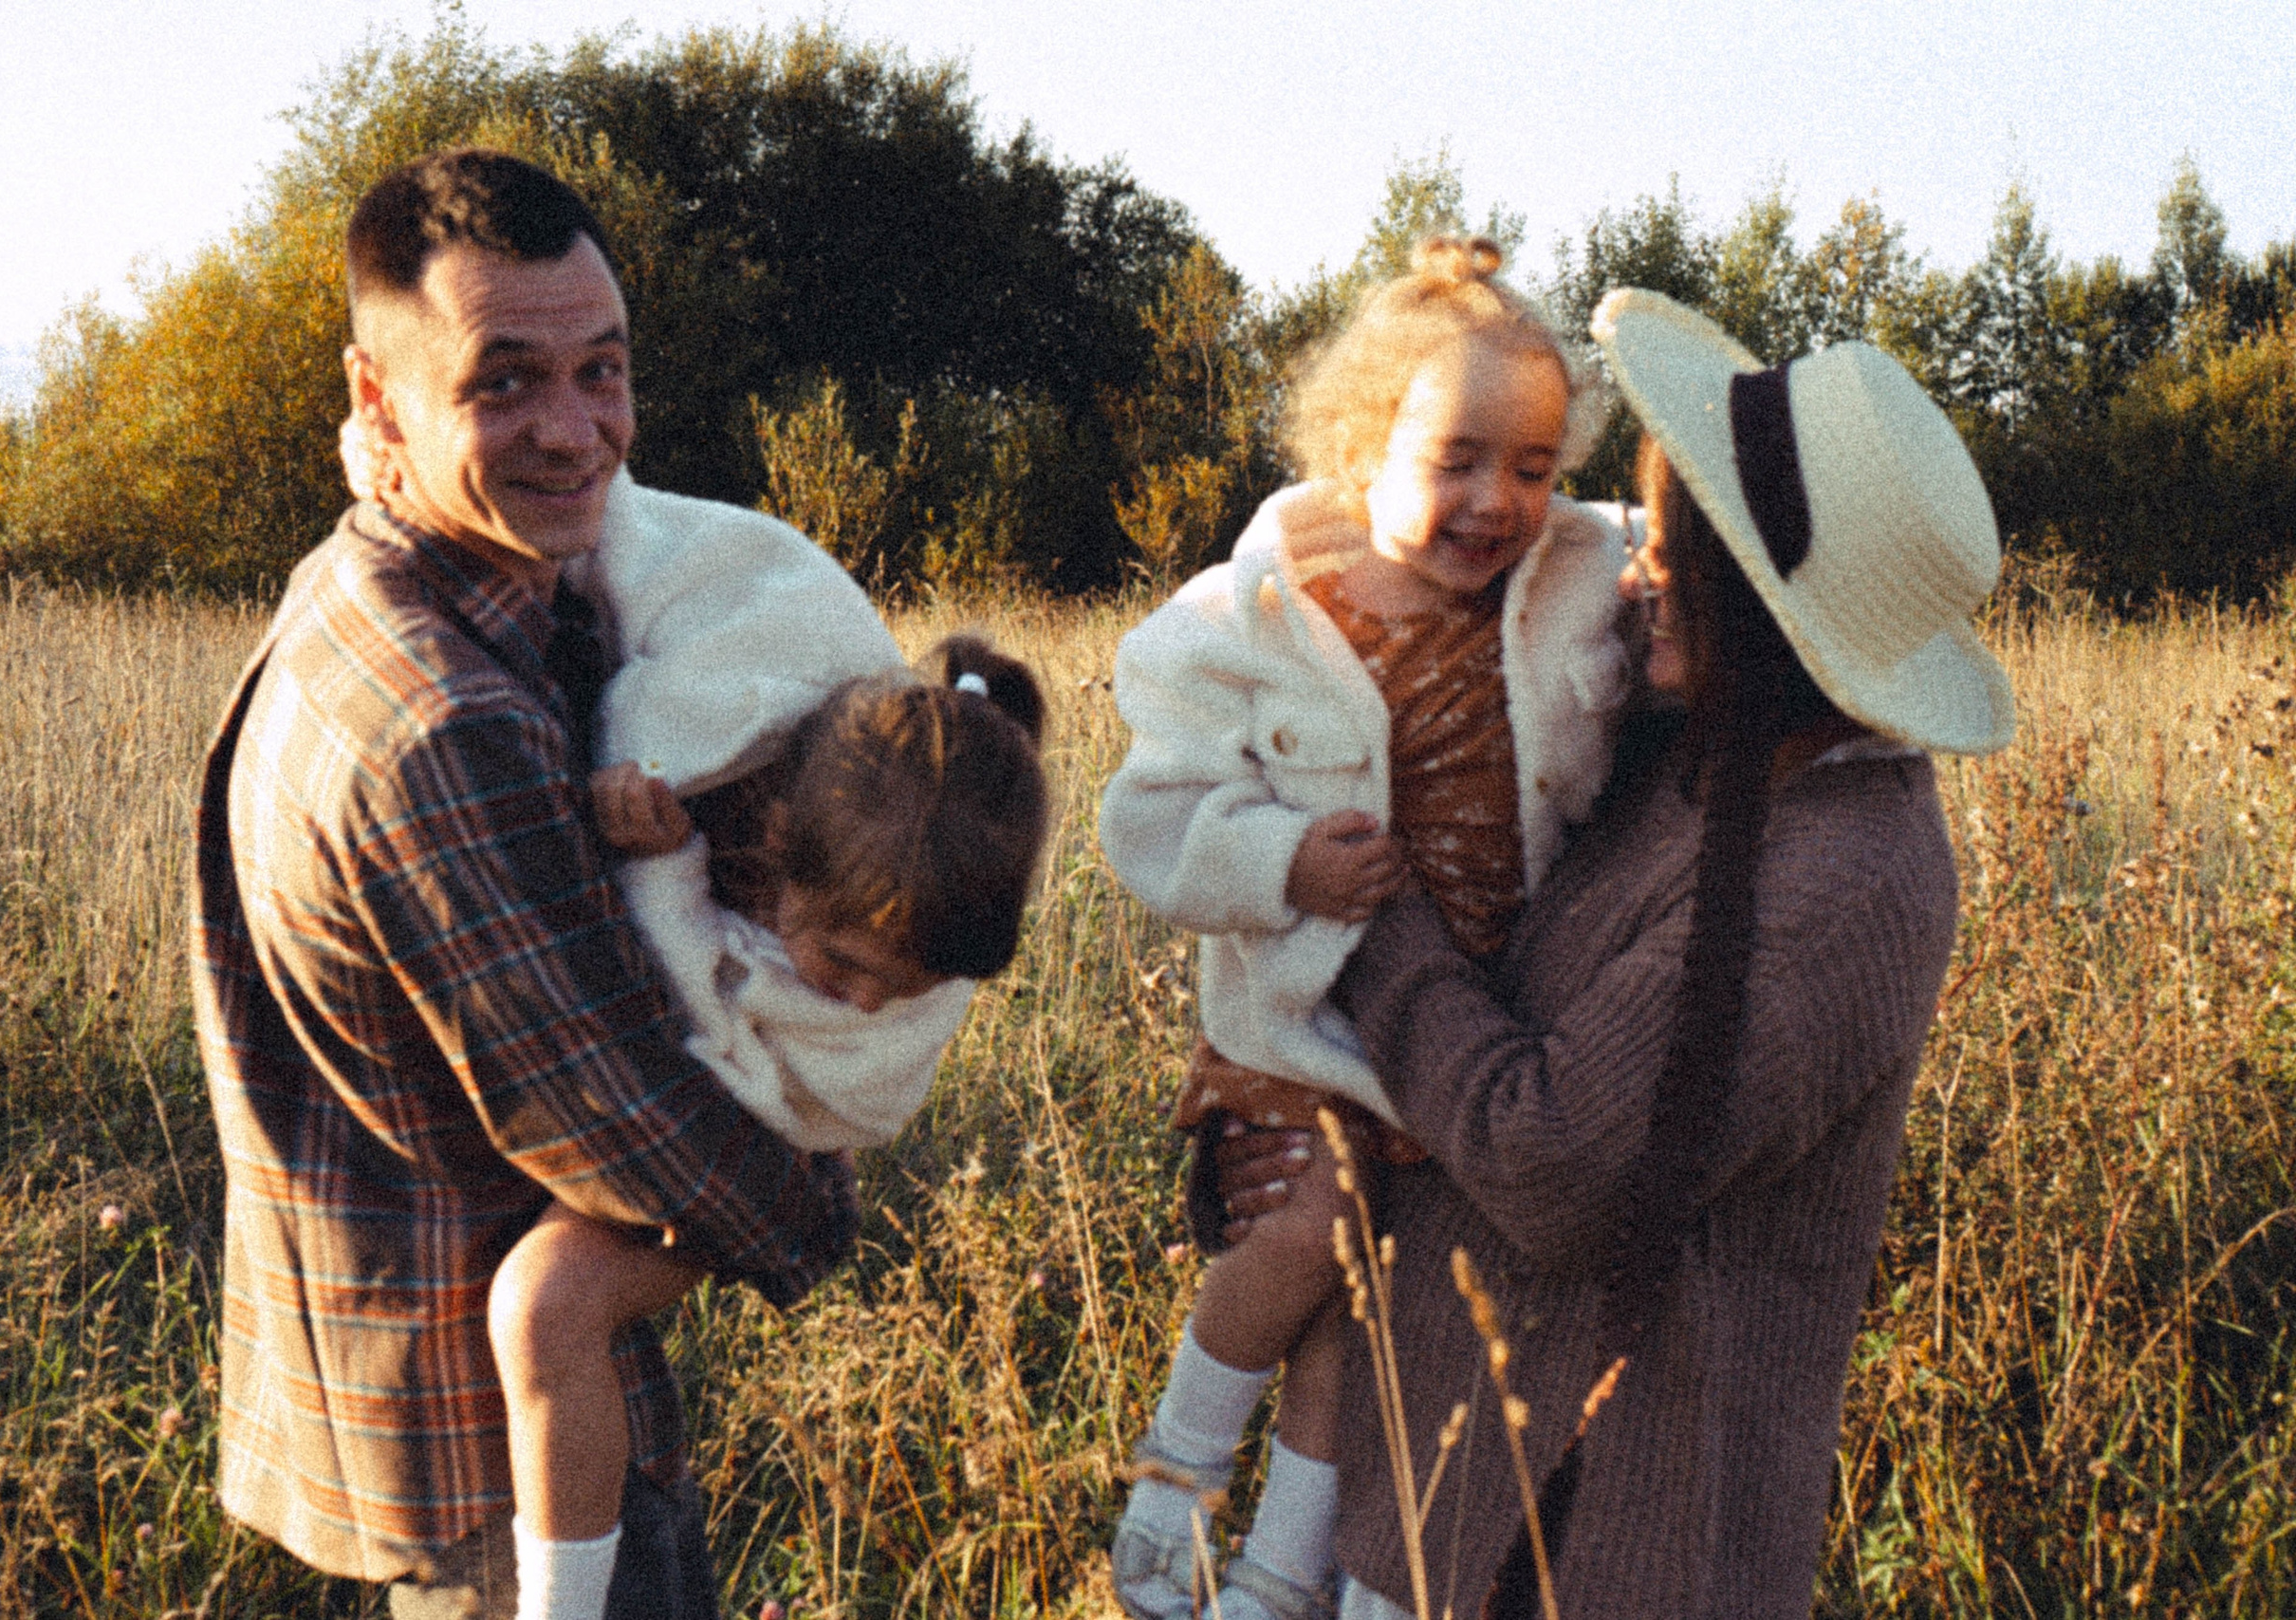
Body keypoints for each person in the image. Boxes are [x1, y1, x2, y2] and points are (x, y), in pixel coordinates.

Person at [1215, 287, 2013, 1619]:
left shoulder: (1847, 872)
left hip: (1601, 1544)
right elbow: (1488, 968)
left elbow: (1551, 1159)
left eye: (1682, 552)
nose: (1639, 574)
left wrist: (1369, 908)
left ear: (1762, 605)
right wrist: (1282, 1126)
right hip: (1442, 1500)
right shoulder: (1685, 746)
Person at [193, 148, 853, 1620]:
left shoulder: (365, 581)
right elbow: (621, 1123)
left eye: (601, 370)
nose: (575, 431)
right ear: (379, 398)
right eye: (504, 384)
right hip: (511, 1480)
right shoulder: (446, 723)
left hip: (435, 1407)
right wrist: (841, 1129)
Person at [1097, 237, 1634, 1620]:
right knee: (1307, 1233)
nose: (1496, 500)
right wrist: (1277, 858)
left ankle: (1280, 1574)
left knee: (1377, 1300)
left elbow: (1686, 556)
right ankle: (1173, 1473)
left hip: (1464, 1028)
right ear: (1358, 448)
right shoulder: (1263, 608)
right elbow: (1148, 817)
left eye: (1533, 466)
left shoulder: (1579, 572)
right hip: (1303, 1020)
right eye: (1456, 459)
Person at [487, 624, 1048, 1620]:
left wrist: (665, 871)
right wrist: (666, 846)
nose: (865, 1005)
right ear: (780, 842)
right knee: (537, 1308)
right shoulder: (773, 810)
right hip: (667, 1126)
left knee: (544, 1305)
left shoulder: (908, 921)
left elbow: (701, 1024)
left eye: (903, 986)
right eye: (848, 965)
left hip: (752, 1163)